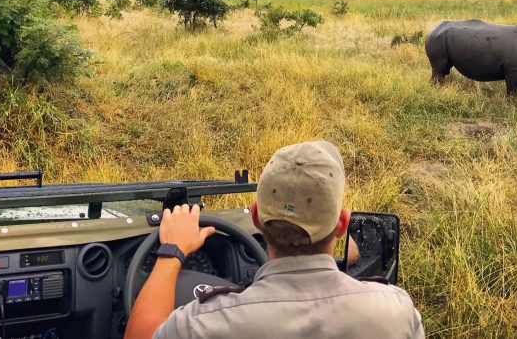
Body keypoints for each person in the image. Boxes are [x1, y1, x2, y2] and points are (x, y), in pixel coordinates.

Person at [125, 140, 424, 339]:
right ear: (342, 224)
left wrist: (171, 251)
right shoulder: (397, 312)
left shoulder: (203, 322)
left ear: (255, 216)